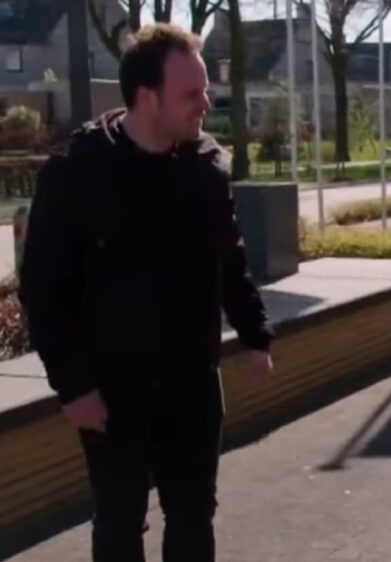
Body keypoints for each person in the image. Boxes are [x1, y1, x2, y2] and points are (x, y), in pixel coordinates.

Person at [19, 23, 274, 562]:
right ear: (145, 96)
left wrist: (255, 332)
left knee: (193, 515)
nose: (205, 103)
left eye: (205, 90)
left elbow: (229, 258)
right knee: (118, 522)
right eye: (191, 93)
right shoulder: (79, 171)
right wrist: (74, 387)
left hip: (192, 385)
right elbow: (43, 287)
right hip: (113, 391)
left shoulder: (206, 169)